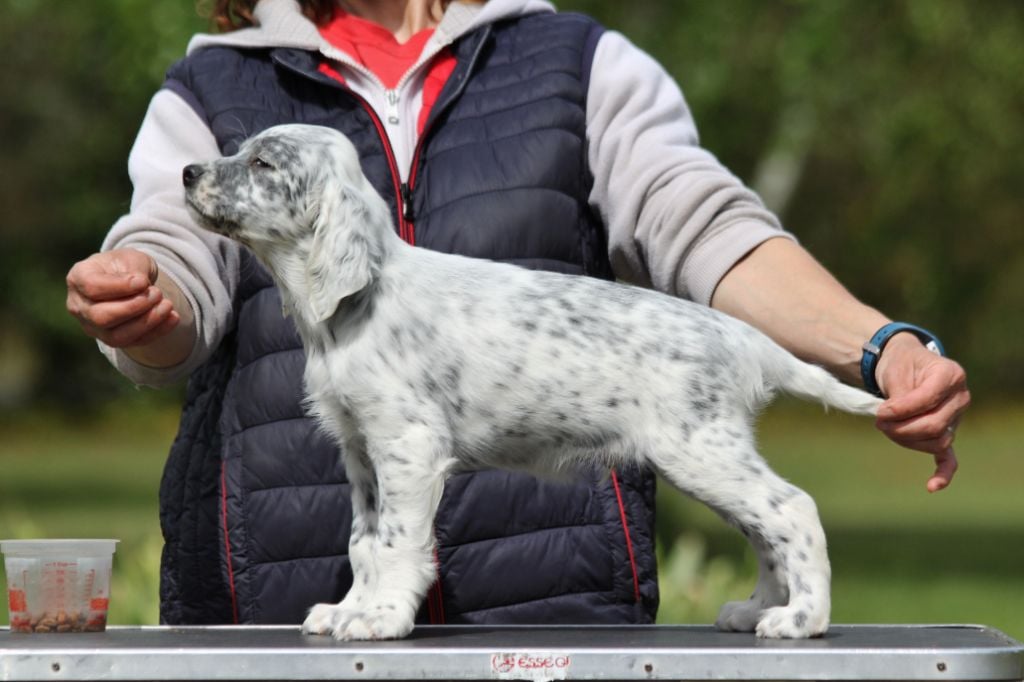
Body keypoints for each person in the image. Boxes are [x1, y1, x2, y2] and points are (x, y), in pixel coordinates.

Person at [65, 0, 970, 627]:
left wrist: (878, 347)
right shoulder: (213, 78)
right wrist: (141, 291)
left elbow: (701, 222)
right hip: (272, 596)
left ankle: (792, 554)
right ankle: (377, 588)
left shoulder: (574, 57)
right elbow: (172, 245)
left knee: (712, 465)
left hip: (554, 601)